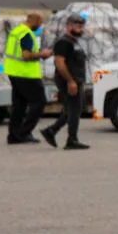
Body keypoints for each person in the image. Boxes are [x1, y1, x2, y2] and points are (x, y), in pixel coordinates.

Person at [40, 13, 90, 149]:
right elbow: (59, 63)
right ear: (68, 26)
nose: (80, 29)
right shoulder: (63, 42)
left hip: (76, 79)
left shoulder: (73, 41)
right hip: (68, 80)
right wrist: (70, 81)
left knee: (73, 110)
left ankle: (51, 131)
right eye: (77, 26)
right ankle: (71, 140)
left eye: (81, 26)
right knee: (73, 110)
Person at [3, 12, 52, 145]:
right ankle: (23, 133)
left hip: (13, 72)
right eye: (40, 22)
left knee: (19, 105)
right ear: (33, 20)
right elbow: (26, 55)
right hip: (26, 74)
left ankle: (13, 135)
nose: (41, 25)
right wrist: (43, 54)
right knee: (39, 101)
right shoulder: (26, 34)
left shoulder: (16, 31)